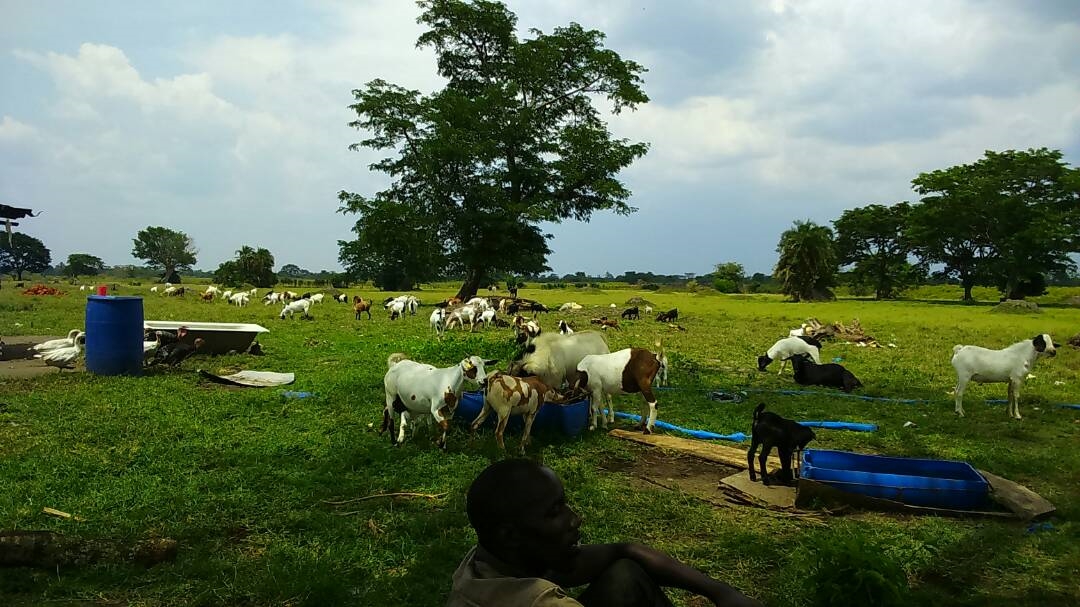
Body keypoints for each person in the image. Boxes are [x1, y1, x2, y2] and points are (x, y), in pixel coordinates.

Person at [447, 459, 762, 607]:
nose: (576, 519)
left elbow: (625, 551)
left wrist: (721, 592)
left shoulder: (483, 564)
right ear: (511, 535)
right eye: (554, 512)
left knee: (624, 574)